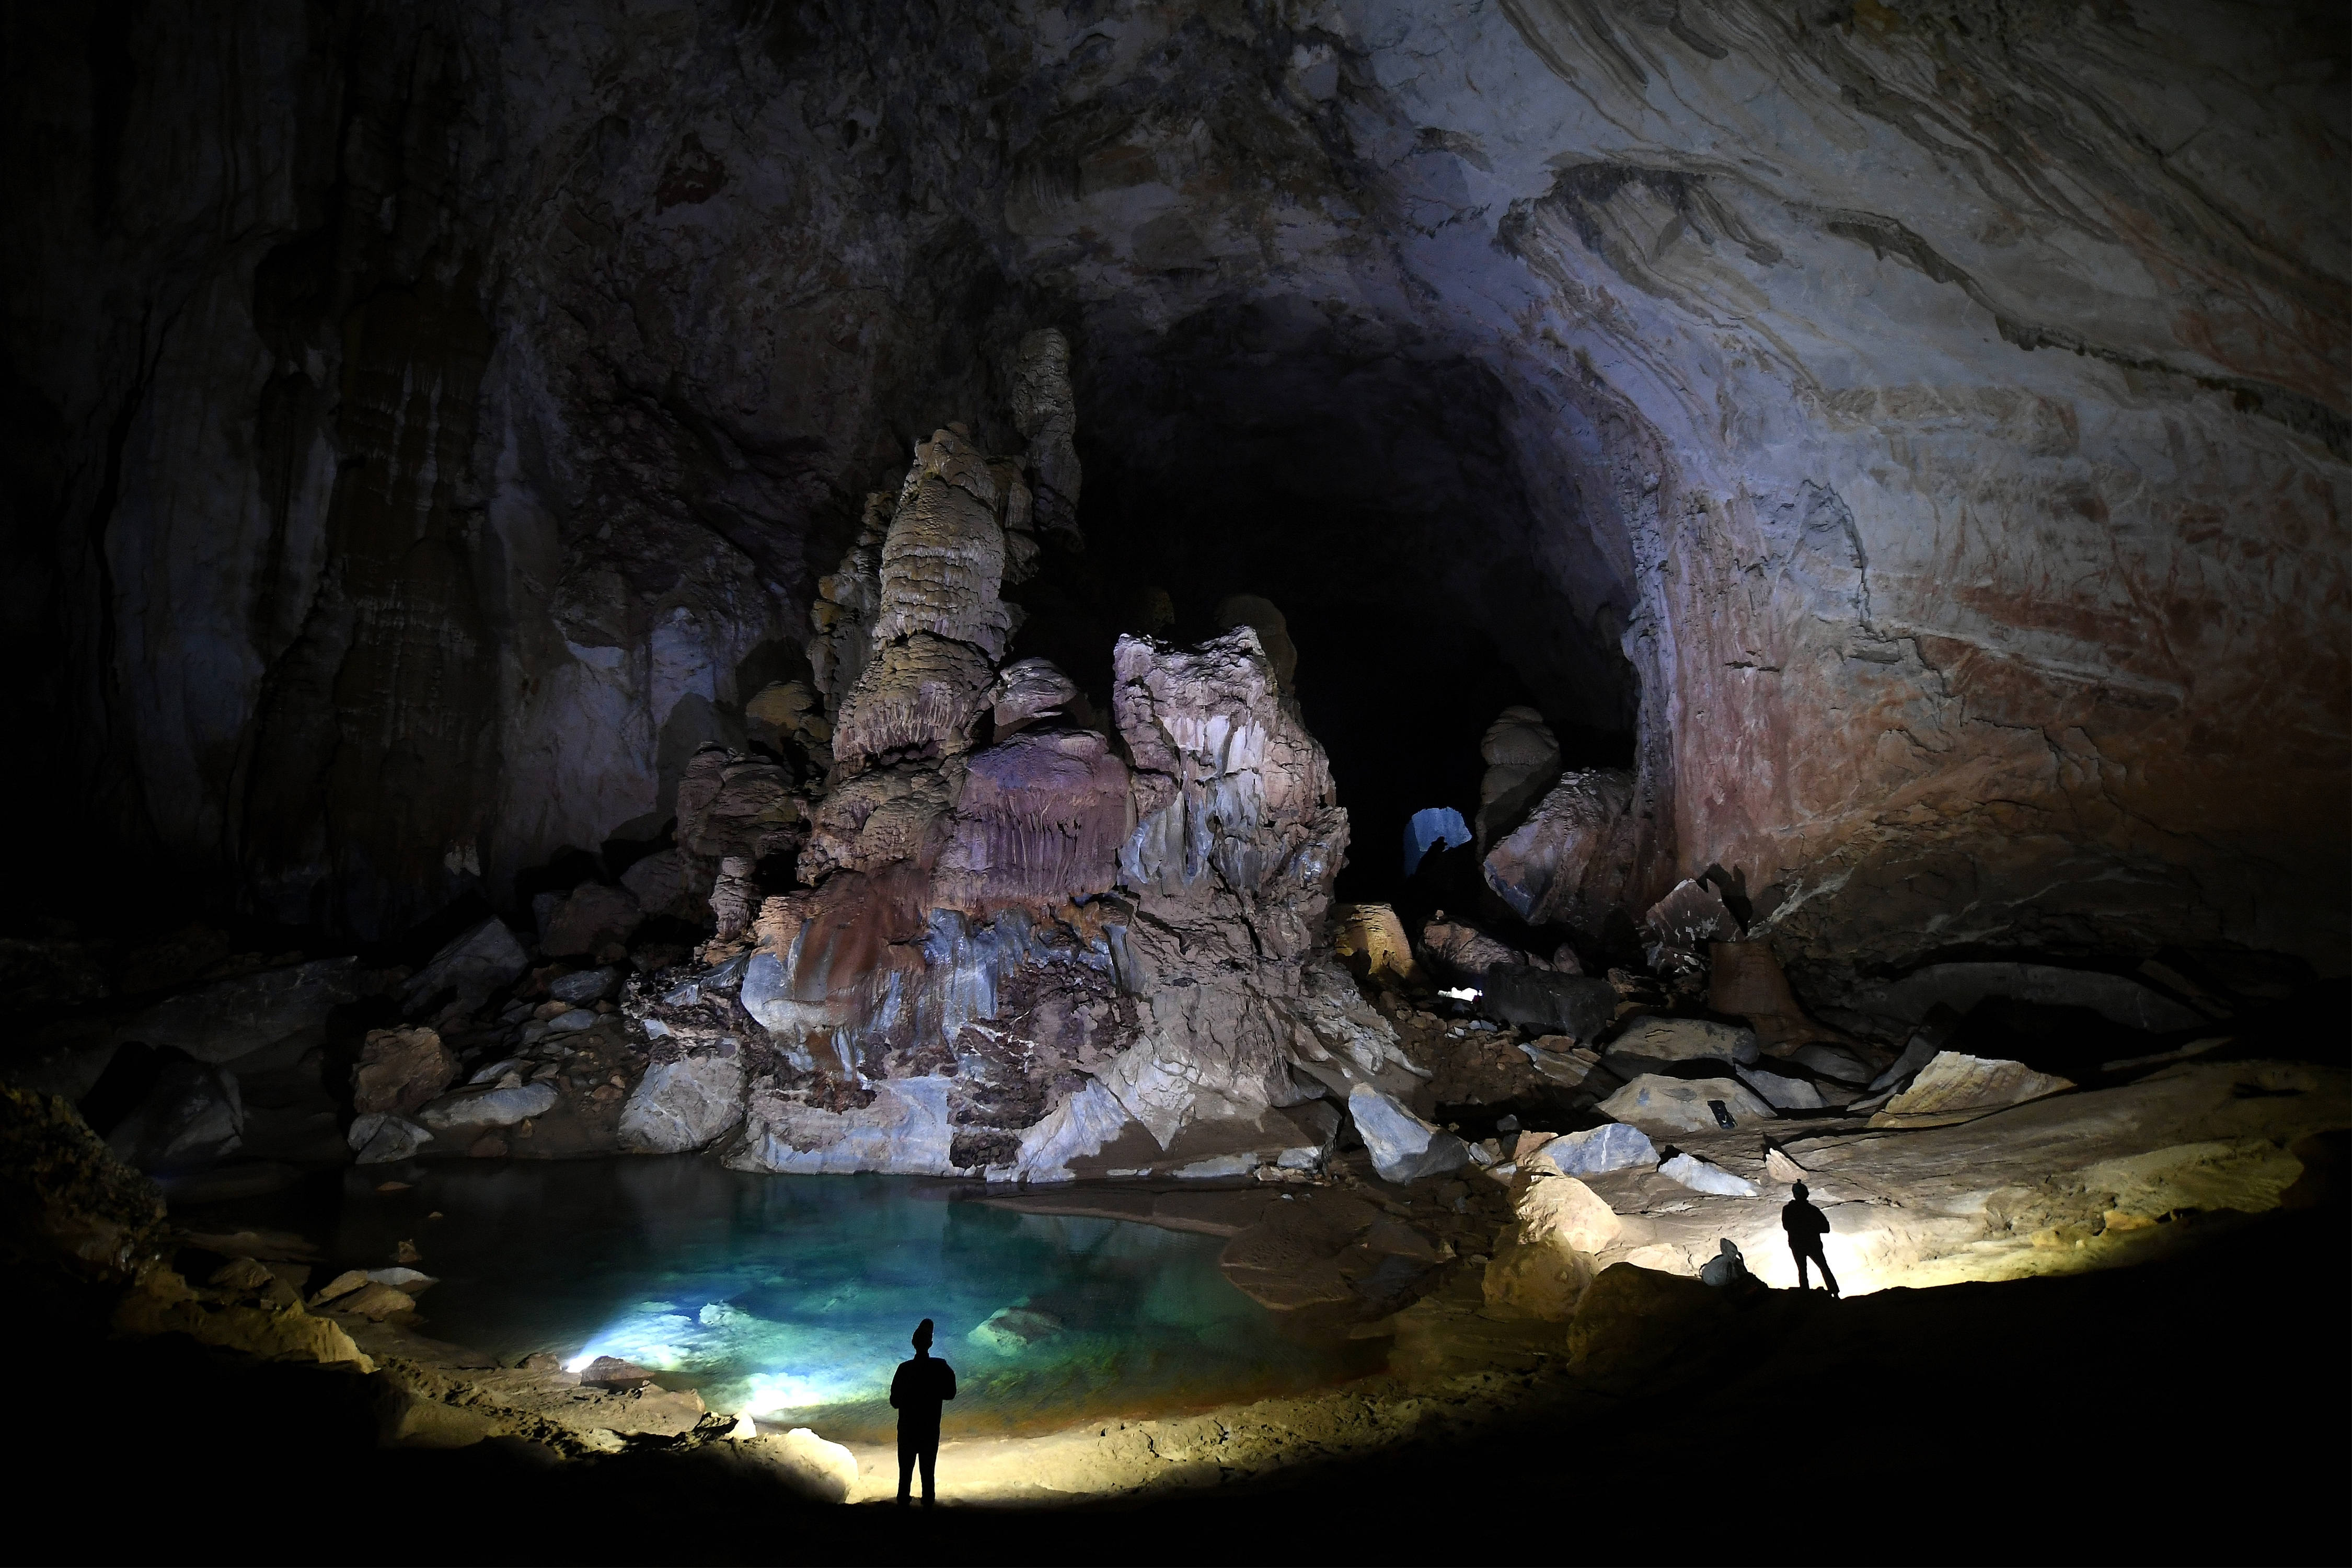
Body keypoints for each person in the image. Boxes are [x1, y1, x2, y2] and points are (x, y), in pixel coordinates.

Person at [889, 1318, 956, 1505]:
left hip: (907, 1429)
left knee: (905, 1475)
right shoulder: (941, 1367)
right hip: (930, 1429)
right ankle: (928, 1512)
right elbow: (950, 1394)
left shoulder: (904, 1369)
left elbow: (894, 1401)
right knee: (928, 1474)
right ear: (931, 1344)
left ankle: (903, 1509)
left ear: (913, 1344)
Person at [1781, 1182, 1839, 1297]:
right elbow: (1825, 1228)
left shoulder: (1789, 1209)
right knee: (1823, 1267)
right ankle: (1834, 1292)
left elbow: (1787, 1226)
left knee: (1803, 1271)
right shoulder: (1813, 1210)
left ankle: (1806, 1295)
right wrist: (1811, 1228)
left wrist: (1800, 1228)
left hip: (1798, 1244)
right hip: (1812, 1244)